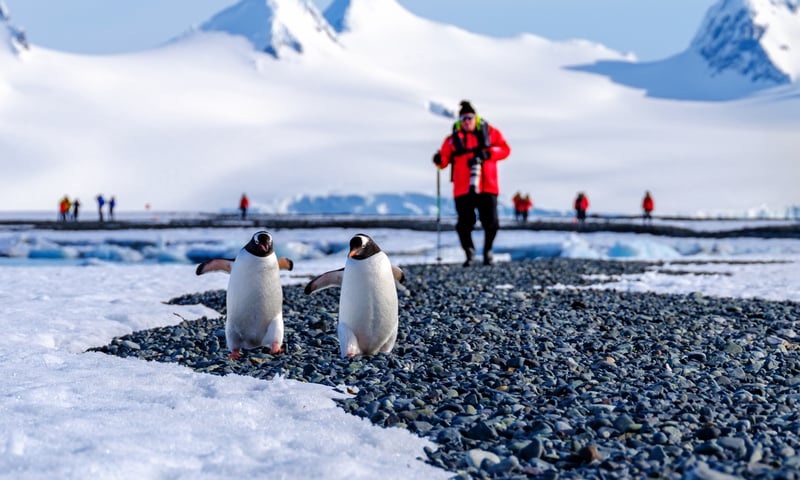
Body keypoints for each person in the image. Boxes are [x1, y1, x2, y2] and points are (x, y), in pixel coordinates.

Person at [433, 100, 511, 266]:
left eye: (469, 117)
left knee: (491, 222)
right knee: (464, 224)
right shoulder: (452, 140)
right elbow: (443, 161)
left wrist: (489, 154)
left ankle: (488, 251)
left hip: (487, 185)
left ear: (475, 118)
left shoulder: (491, 133)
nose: (467, 121)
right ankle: (469, 252)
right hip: (463, 188)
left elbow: (505, 150)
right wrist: (439, 159)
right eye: (463, 118)